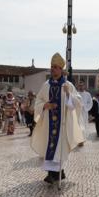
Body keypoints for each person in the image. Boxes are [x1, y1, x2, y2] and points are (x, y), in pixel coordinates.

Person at [31, 53, 84, 184]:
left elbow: (78, 103)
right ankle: (56, 173)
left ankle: (54, 173)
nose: (53, 69)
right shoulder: (46, 85)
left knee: (59, 149)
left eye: (55, 67)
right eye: (52, 67)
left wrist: (68, 94)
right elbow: (38, 101)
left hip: (62, 124)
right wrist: (45, 105)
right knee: (49, 147)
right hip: (48, 123)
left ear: (61, 69)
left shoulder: (67, 85)